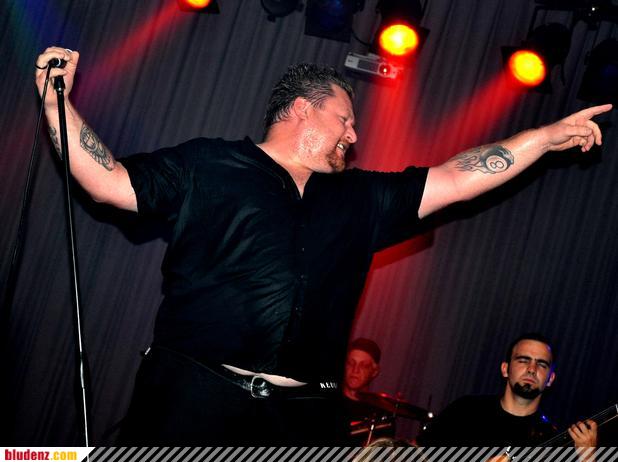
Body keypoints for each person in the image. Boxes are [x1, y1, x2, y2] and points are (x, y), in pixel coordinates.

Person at [34, 46, 611, 444]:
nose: (354, 135)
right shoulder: (209, 164)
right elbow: (110, 182)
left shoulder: (362, 196)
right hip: (194, 400)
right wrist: (56, 102)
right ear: (302, 110)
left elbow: (458, 177)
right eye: (345, 120)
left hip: (303, 418)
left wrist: (544, 137)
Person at [415, 333, 598, 448]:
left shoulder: (551, 439)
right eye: (523, 360)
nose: (532, 369)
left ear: (550, 379)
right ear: (505, 369)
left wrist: (588, 458)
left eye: (541, 364)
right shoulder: (465, 410)